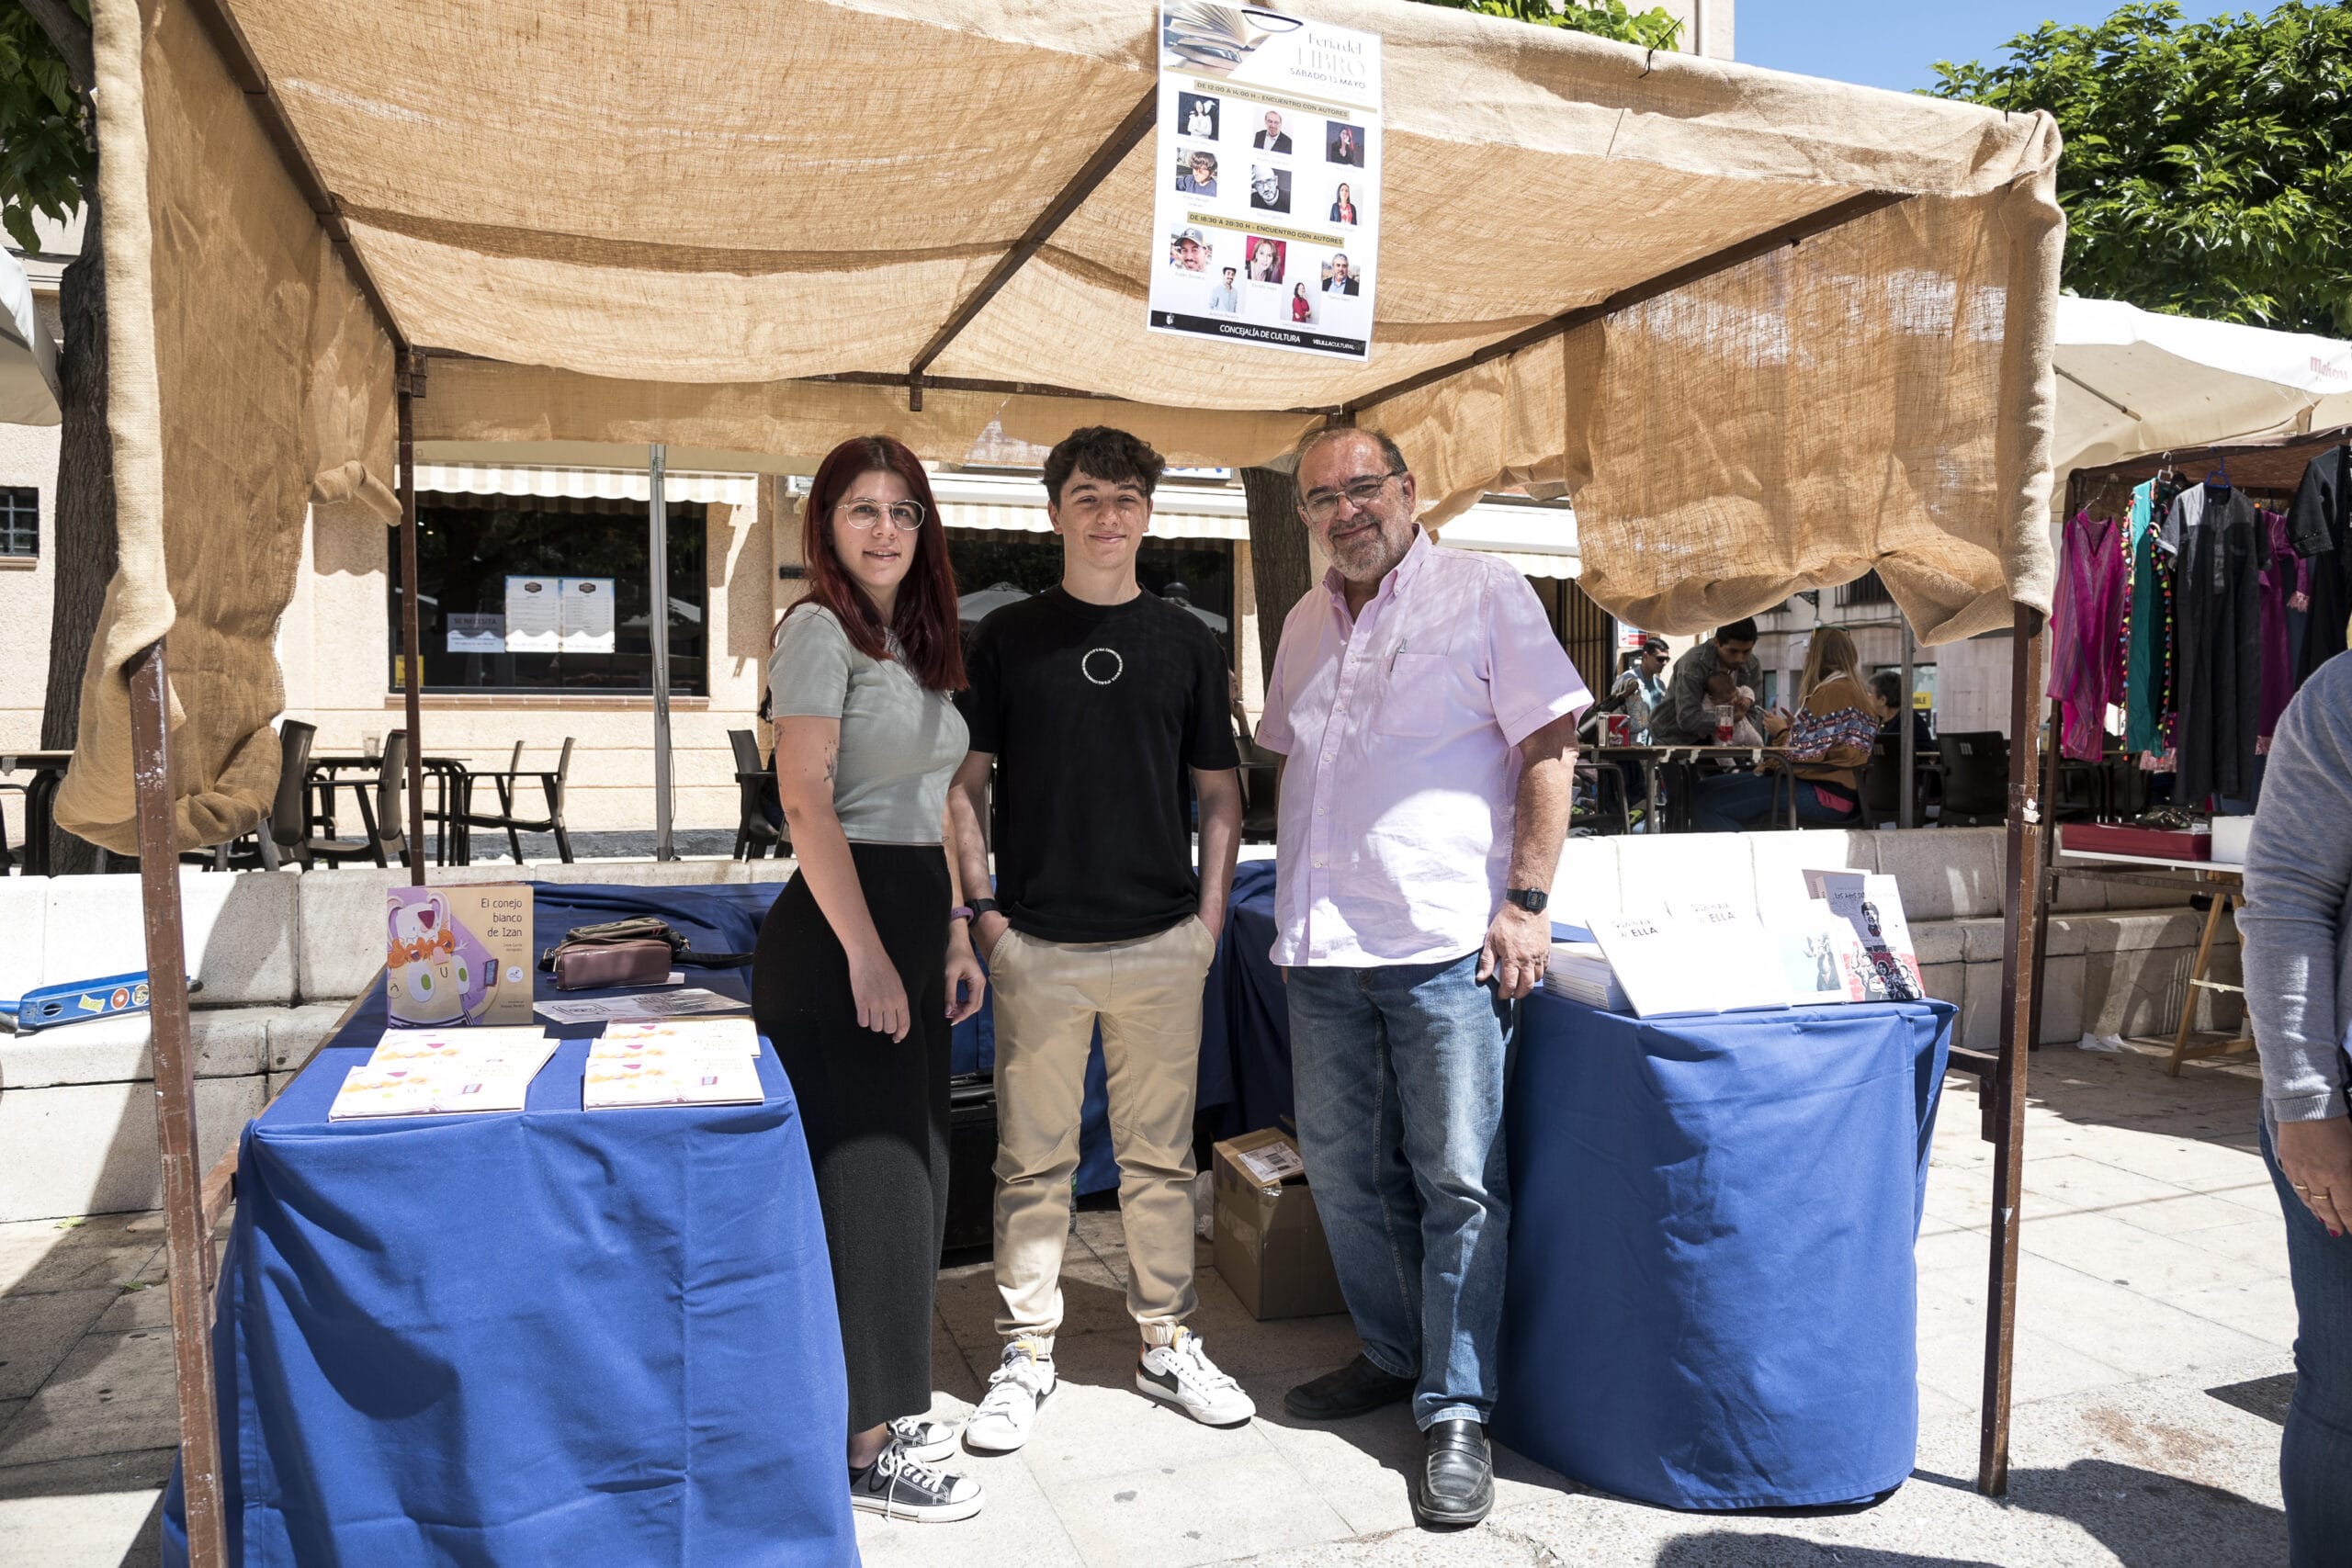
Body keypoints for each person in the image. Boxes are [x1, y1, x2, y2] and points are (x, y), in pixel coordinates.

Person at [1259, 426, 1589, 1528]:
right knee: (1344, 1176)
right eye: (1321, 499)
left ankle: (1455, 1410)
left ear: (1407, 490)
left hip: (1447, 944)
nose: (1345, 512)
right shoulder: (1302, 621)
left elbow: (1549, 747)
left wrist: (1527, 900)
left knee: (1456, 1181)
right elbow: (1300, 762)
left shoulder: (1486, 591)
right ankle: (1394, 1353)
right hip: (1322, 947)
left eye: (1363, 488)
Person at [948, 426, 1251, 1452]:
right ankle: (1027, 1350)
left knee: (1159, 1163)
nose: (1107, 514)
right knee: (1031, 1164)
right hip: (1037, 945)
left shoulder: (1188, 642)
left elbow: (1220, 794)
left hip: (1163, 941)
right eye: (1086, 496)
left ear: (1148, 514)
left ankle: (1166, 1341)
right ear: (1054, 512)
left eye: (1125, 497)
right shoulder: (1006, 637)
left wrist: (1209, 920)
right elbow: (963, 787)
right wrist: (983, 913)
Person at [754, 435, 987, 1522]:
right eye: (862, 509)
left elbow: (934, 802)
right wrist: (866, 952)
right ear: (827, 525)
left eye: (903, 511)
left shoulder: (910, 642)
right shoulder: (816, 629)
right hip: (843, 934)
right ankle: (864, 1446)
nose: (885, 529)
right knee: (868, 1187)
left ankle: (880, 1406)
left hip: (906, 919)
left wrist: (951, 931)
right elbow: (805, 800)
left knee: (915, 1176)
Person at [2238, 650, 2352, 1568]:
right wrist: (2307, 1105)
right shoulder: (2344, 694)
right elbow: (2285, 895)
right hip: (2345, 1110)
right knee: (2347, 1393)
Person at [1690, 626, 1879, 831]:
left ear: (1817, 655)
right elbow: (1830, 743)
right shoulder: (1855, 692)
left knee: (1706, 805)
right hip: (1835, 790)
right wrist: (1797, 728)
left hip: (1823, 792)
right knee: (1702, 790)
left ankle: (1749, 852)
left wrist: (1781, 732)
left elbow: (1801, 754)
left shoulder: (1832, 691)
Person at [1652, 617, 1767, 745]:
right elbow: (1688, 718)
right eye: (1733, 651)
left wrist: (1738, 736)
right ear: (1716, 642)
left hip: (1724, 740)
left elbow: (1752, 710)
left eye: (1746, 651)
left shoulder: (1752, 665)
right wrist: (1730, 719)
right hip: (1676, 740)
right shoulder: (1693, 663)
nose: (1740, 658)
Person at [1870, 671, 1936, 752]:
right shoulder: (1877, 720)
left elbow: (1926, 754)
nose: (1866, 698)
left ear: (1883, 700)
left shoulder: (1910, 720)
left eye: (1870, 694)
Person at [1703, 671, 1766, 746]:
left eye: (1734, 697)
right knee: (1720, 748)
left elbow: (1747, 689)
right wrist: (1732, 718)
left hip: (1745, 728)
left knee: (1758, 741)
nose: (1732, 702)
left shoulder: (1735, 691)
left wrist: (1747, 699)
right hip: (1724, 734)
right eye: (1726, 701)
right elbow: (1707, 719)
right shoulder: (1708, 705)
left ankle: (1760, 754)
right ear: (1712, 699)